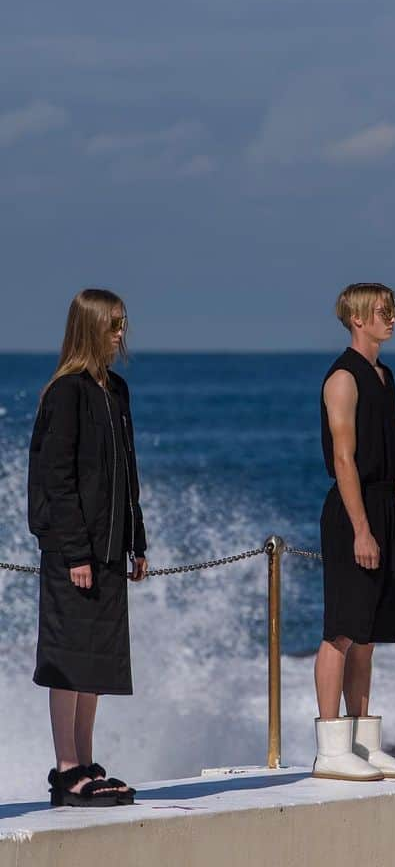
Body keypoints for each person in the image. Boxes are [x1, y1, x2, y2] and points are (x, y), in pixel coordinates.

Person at [27, 289, 149, 807]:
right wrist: (76, 552)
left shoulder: (115, 390)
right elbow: (57, 480)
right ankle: (66, 769)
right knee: (69, 662)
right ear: (89, 328)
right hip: (72, 555)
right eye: (112, 324)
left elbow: (128, 474)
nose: (120, 332)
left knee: (95, 665)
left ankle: (86, 760)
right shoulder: (66, 393)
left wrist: (136, 541)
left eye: (123, 323)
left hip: (109, 552)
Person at [311, 283, 395, 780]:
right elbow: (343, 458)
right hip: (352, 512)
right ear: (357, 318)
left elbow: (391, 464)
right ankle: (330, 747)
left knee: (369, 636)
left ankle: (361, 742)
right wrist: (361, 529)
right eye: (382, 311)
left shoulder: (385, 376)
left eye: (393, 310)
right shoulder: (342, 379)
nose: (391, 318)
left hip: (383, 508)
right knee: (341, 631)